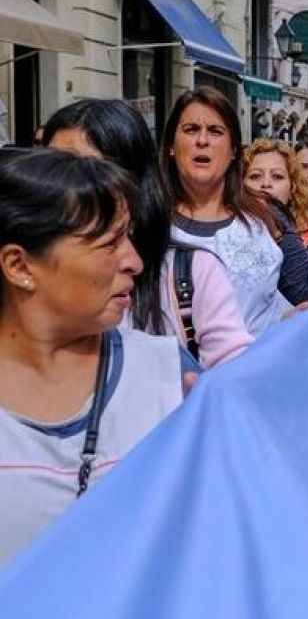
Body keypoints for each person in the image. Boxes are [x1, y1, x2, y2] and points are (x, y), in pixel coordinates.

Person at [0, 151, 191, 565]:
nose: (135, 262)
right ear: (19, 265)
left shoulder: (170, 378)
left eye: (130, 238)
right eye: (108, 244)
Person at [43, 98, 251, 369]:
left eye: (84, 170)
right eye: (51, 166)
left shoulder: (192, 272)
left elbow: (237, 381)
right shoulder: (27, 272)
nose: (63, 185)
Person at [162, 87, 308, 335]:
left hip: (256, 370)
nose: (202, 141)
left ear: (233, 150)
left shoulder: (266, 214)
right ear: (171, 146)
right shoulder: (145, 218)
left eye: (215, 131)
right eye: (191, 129)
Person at [243, 139, 308, 256]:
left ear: (292, 188)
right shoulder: (226, 233)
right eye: (255, 176)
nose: (266, 184)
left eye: (277, 176)